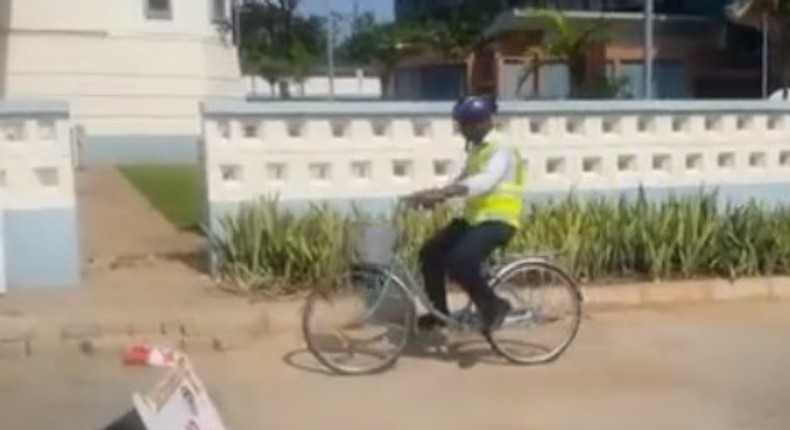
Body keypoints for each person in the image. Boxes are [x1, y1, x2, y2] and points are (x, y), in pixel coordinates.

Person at [407, 94, 525, 336]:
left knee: (459, 261)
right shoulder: (477, 149)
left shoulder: (501, 147)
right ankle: (439, 314)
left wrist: (448, 191)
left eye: (464, 125)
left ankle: (494, 305)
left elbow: (486, 181)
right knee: (429, 253)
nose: (461, 130)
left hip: (498, 221)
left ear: (480, 122)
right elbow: (462, 180)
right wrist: (435, 195)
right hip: (474, 220)